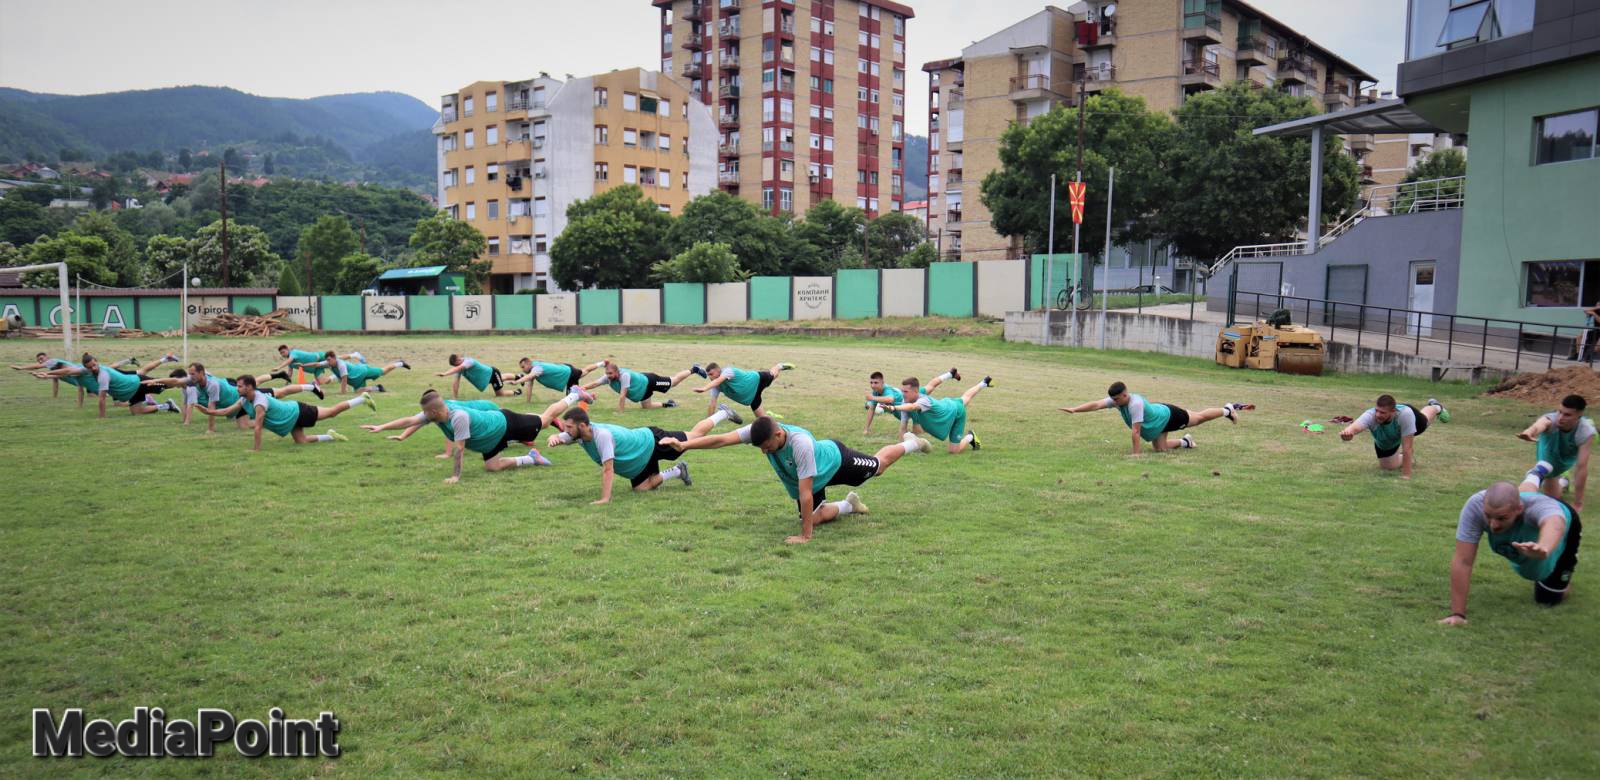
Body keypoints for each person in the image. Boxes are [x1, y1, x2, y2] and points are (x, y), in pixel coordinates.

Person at [659, 416, 932, 544]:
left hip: (836, 461)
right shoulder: (760, 431)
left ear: (779, 435)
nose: (764, 452)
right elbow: (721, 439)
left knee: (879, 466)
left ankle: (912, 443)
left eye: (767, 447)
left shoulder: (800, 445)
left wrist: (805, 536)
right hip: (814, 476)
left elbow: (805, 492)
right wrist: (685, 445)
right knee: (813, 516)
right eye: (760, 448)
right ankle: (850, 505)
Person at [361, 386, 596, 483]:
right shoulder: (436, 414)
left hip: (505, 424)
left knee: (544, 421)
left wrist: (456, 476)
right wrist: (382, 427)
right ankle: (531, 458)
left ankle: (574, 394)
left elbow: (459, 449)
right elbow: (410, 421)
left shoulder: (458, 418)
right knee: (492, 467)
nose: (423, 416)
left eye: (425, 413)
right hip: (492, 438)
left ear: (434, 411)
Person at [1442, 480, 1582, 624]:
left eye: (1501, 518)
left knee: (1548, 598)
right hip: (1524, 507)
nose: (1493, 525)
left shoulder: (1540, 508)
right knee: (1527, 565)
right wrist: (1458, 614)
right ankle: (1535, 476)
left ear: (1519, 509)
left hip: (1565, 524)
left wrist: (1544, 548)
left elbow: (1555, 524)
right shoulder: (1476, 506)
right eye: (1488, 516)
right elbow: (1463, 560)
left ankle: (1563, 558)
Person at [546, 407, 694, 504]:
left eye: (569, 427)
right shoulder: (578, 434)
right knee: (641, 488)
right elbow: (560, 437)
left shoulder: (602, 436)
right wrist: (553, 437)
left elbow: (608, 469)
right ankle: (678, 470)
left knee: (695, 435)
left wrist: (605, 499)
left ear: (582, 426)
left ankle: (711, 418)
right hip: (639, 459)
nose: (566, 430)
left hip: (650, 440)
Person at [194, 374, 375, 450]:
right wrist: (207, 411)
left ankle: (362, 398)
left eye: (240, 386)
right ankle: (331, 436)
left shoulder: (259, 402)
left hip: (298, 411)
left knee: (333, 411)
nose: (237, 388)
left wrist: (256, 450)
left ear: (249, 387)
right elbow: (226, 410)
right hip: (290, 419)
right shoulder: (243, 399)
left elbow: (258, 427)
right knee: (301, 441)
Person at [1061, 381, 1246, 454]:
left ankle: (1227, 410)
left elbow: (1136, 432)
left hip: (1169, 416)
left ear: (1125, 395)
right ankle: (1186, 442)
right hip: (1159, 421)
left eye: (1116, 399)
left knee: (1199, 418)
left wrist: (1136, 455)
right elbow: (1096, 405)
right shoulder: (1118, 401)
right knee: (1160, 449)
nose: (1114, 402)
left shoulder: (1135, 404)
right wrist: (1074, 409)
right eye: (1113, 400)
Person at [147, 363, 323, 432]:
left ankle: (310, 386)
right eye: (189, 374)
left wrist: (210, 430)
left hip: (244, 395)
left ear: (201, 373)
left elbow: (212, 408)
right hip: (238, 403)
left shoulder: (212, 385)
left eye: (193, 374)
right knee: (243, 426)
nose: (190, 376)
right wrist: (154, 381)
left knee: (281, 392)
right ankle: (267, 420)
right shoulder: (193, 380)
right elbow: (175, 381)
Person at [35, 354, 182, 417]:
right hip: (131, 391)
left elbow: (102, 398)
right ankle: (167, 406)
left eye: (94, 365)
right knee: (136, 411)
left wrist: (102, 417)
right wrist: (47, 374)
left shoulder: (103, 375)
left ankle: (184, 380)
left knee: (168, 385)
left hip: (138, 384)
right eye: (90, 367)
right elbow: (68, 371)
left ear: (97, 361)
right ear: (86, 367)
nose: (93, 368)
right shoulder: (85, 371)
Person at [883, 369, 992, 454]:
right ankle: (983, 383)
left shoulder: (923, 401)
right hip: (947, 404)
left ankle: (970, 437)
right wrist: (902, 449)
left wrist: (894, 408)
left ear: (915, 391)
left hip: (956, 412)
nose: (903, 394)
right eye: (902, 391)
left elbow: (913, 407)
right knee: (965, 399)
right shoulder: (905, 403)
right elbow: (903, 428)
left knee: (954, 451)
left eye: (905, 391)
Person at [1338, 394, 1449, 478]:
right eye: (1377, 410)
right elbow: (1355, 427)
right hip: (1388, 438)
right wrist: (1347, 434)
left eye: (1382, 412)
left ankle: (1436, 407)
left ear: (1393, 411)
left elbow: (1407, 448)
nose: (1378, 415)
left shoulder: (1406, 415)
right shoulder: (1370, 415)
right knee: (1388, 467)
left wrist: (1406, 475)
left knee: (1425, 421)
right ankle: (1409, 459)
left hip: (1409, 420)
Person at [1518, 394, 1594, 510]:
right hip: (1547, 456)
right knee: (1552, 497)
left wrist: (1578, 502)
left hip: (1565, 460)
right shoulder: (1551, 419)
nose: (1560, 417)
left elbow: (1581, 468)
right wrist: (1529, 431)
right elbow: (1540, 424)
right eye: (1559, 412)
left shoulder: (1586, 432)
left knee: (1552, 494)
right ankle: (1547, 476)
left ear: (1579, 416)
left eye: (1567, 415)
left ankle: (1562, 481)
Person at [691, 361, 795, 418]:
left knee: (773, 375)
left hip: (757, 380)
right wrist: (709, 420)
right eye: (708, 375)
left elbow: (719, 380)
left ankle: (779, 366)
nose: (710, 377)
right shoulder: (716, 386)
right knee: (763, 420)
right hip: (752, 397)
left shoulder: (727, 371)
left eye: (711, 374)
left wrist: (704, 388)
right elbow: (712, 403)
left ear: (719, 371)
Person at [583, 359, 693, 411]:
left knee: (674, 382)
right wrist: (582, 388)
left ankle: (693, 370)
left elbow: (622, 395)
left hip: (650, 381)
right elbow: (595, 384)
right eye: (607, 373)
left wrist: (620, 412)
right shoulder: (608, 378)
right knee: (647, 407)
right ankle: (669, 404)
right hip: (643, 391)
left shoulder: (624, 375)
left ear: (617, 371)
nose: (608, 376)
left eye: (610, 373)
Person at [504, 358, 604, 402]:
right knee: (585, 371)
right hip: (566, 370)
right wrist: (528, 402)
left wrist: (516, 382)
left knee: (572, 398)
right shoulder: (533, 368)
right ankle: (602, 363)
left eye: (523, 367)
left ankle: (590, 396)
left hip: (568, 374)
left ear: (529, 363)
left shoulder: (537, 368)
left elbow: (529, 377)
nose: (522, 369)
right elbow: (529, 385)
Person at [314, 351, 409, 394]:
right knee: (358, 391)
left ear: (333, 358)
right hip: (357, 378)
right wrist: (306, 366)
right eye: (327, 360)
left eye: (329, 359)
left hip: (362, 370)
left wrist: (342, 392)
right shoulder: (329, 363)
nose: (328, 361)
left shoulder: (339, 363)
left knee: (383, 371)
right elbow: (317, 364)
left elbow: (344, 379)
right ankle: (378, 388)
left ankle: (400, 363)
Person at [438, 354, 519, 398]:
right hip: (488, 377)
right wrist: (454, 398)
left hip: (493, 374)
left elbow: (459, 368)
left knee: (500, 395)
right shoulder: (458, 367)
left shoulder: (468, 361)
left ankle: (517, 392)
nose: (456, 367)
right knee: (503, 377)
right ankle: (519, 376)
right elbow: (456, 383)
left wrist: (445, 373)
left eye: (456, 365)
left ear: (458, 360)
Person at [863, 370, 911, 436]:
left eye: (876, 383)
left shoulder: (887, 389)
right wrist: (866, 429)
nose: (873, 385)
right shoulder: (876, 391)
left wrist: (872, 398)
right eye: (871, 383)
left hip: (907, 407)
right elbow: (871, 409)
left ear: (882, 383)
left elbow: (890, 399)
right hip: (896, 410)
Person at [270, 345, 335, 384]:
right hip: (316, 368)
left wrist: (279, 367)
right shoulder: (290, 363)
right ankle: (334, 376)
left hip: (319, 357)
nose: (282, 354)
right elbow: (289, 373)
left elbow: (288, 360)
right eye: (281, 353)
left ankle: (340, 366)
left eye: (283, 352)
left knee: (337, 361)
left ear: (288, 349)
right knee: (324, 382)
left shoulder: (293, 352)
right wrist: (287, 383)